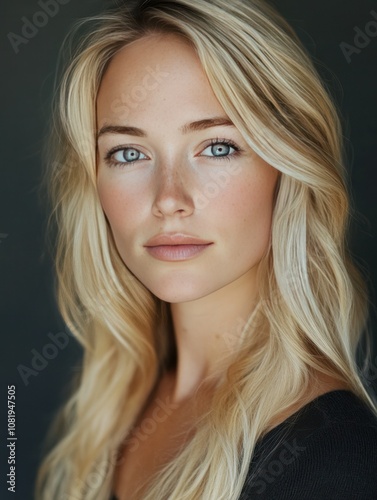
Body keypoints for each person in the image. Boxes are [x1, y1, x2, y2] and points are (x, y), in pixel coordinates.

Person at [35, 0, 377, 499]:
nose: (169, 199)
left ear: (286, 166)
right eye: (128, 153)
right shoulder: (118, 408)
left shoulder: (333, 463)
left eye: (217, 147)